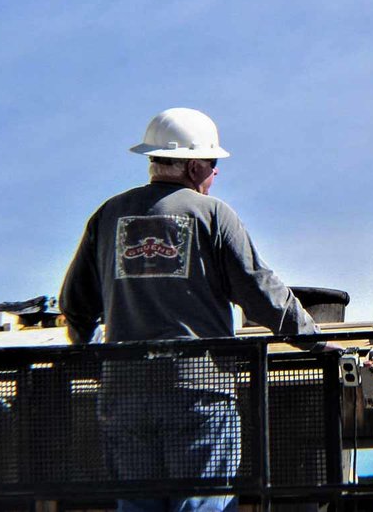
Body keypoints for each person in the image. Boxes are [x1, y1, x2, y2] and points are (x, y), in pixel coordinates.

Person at [59, 107, 325, 512]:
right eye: (213, 164)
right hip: (199, 392)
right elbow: (260, 291)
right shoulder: (213, 215)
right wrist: (316, 342)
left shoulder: (108, 216)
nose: (216, 173)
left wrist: (97, 354)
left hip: (124, 393)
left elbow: (75, 306)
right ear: (194, 165)